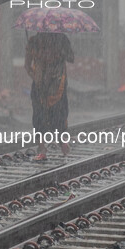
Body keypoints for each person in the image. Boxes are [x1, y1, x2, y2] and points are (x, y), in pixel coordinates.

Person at [24, 32, 74, 161]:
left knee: (60, 115)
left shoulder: (62, 39)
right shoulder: (33, 41)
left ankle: (62, 142)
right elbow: (27, 65)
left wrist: (59, 53)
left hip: (58, 85)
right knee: (39, 117)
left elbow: (71, 58)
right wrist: (34, 76)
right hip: (39, 86)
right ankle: (42, 149)